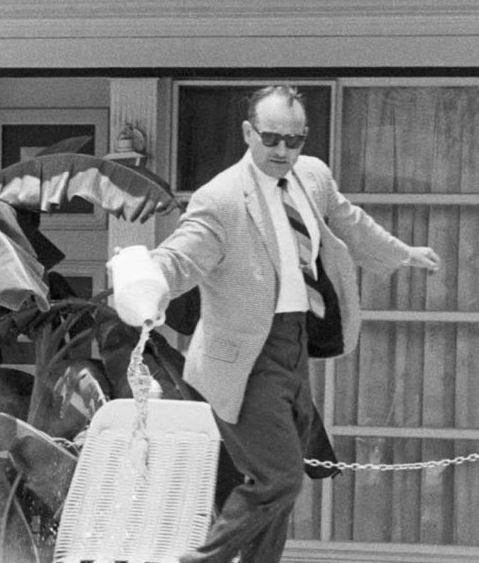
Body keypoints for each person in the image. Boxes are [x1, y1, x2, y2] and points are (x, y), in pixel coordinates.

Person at [112, 84, 440, 563]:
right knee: (278, 477)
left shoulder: (312, 176)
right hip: (243, 356)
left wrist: (401, 254)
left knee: (280, 489)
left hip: (294, 342)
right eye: (271, 139)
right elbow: (180, 257)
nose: (283, 150)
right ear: (248, 133)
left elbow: (348, 220)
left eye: (295, 139)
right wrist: (141, 275)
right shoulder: (221, 199)